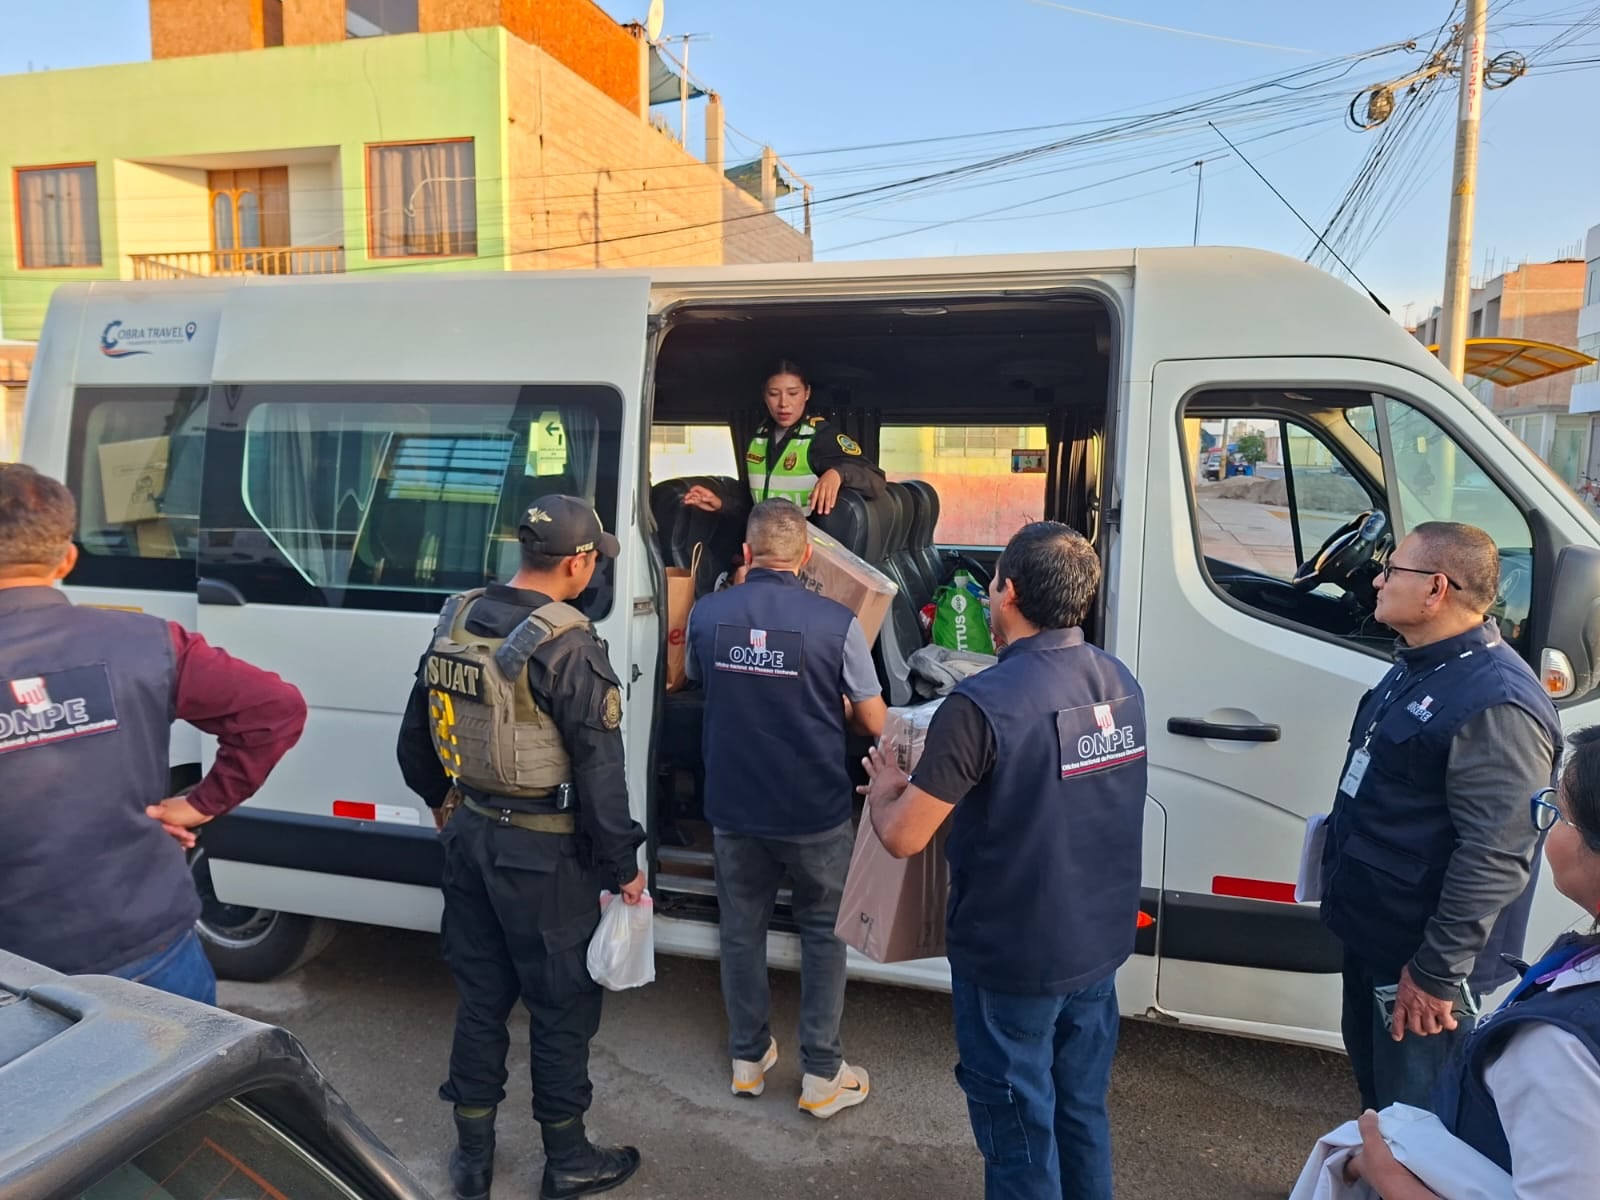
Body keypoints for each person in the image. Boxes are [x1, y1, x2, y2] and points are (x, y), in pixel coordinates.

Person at [861, 521, 1146, 1200]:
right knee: (1078, 1109)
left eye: (992, 587)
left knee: (1018, 1130)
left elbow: (904, 836)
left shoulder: (980, 704)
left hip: (1016, 958)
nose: (990, 599)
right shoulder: (1116, 677)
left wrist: (882, 790)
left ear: (1008, 591)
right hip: (1097, 945)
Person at [396, 495, 647, 1200]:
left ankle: (472, 1159)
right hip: (544, 853)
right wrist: (625, 867)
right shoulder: (569, 644)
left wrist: (444, 803)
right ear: (579, 562)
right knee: (561, 1005)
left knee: (481, 999)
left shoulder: (457, 619)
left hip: (472, 836)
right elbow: (601, 775)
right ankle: (566, 1159)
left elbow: (417, 739)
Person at [0, 464, 306, 1004]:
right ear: (67, 558)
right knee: (177, 1091)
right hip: (150, 954)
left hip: (15, 973)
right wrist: (200, 804)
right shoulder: (150, 642)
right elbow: (274, 708)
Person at [1320, 521, 1561, 1112]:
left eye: (1391, 570)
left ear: (1435, 588)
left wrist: (1434, 973)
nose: (1377, 580)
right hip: (1380, 937)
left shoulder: (1497, 701)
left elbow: (1496, 855)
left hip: (1422, 962)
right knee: (1381, 1106)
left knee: (1419, 1124)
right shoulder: (1422, 664)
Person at [685, 498, 886, 1118]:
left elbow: (700, 679)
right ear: (805, 557)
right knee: (824, 934)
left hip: (734, 806)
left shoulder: (707, 613)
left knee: (740, 929)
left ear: (745, 555)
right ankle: (822, 1074)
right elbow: (875, 722)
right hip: (814, 810)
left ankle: (749, 1059)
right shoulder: (838, 622)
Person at [1342, 726, 1600, 1200]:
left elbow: (1492, 852)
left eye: (1559, 814)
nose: (1544, 828)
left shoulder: (1558, 1046)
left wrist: (1388, 1175)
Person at [681, 360, 886, 520]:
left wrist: (839, 473)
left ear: (807, 393)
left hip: (805, 553)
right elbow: (758, 504)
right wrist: (721, 504)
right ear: (764, 396)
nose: (783, 403)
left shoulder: (819, 436)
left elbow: (876, 479)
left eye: (793, 393)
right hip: (762, 545)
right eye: (774, 394)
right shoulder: (758, 438)